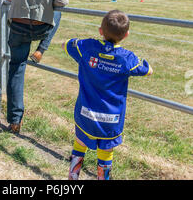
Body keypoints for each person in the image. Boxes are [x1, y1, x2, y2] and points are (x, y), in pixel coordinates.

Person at [63, 9, 153, 180]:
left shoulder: (87, 47)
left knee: (80, 143)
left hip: (85, 115)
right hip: (110, 121)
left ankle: (72, 179)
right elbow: (147, 70)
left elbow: (67, 45)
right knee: (105, 152)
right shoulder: (127, 59)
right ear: (126, 35)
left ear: (100, 31)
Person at [6, 0, 69, 134]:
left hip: (18, 25)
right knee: (58, 13)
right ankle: (42, 49)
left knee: (16, 68)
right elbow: (62, 2)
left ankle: (15, 120)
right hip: (41, 27)